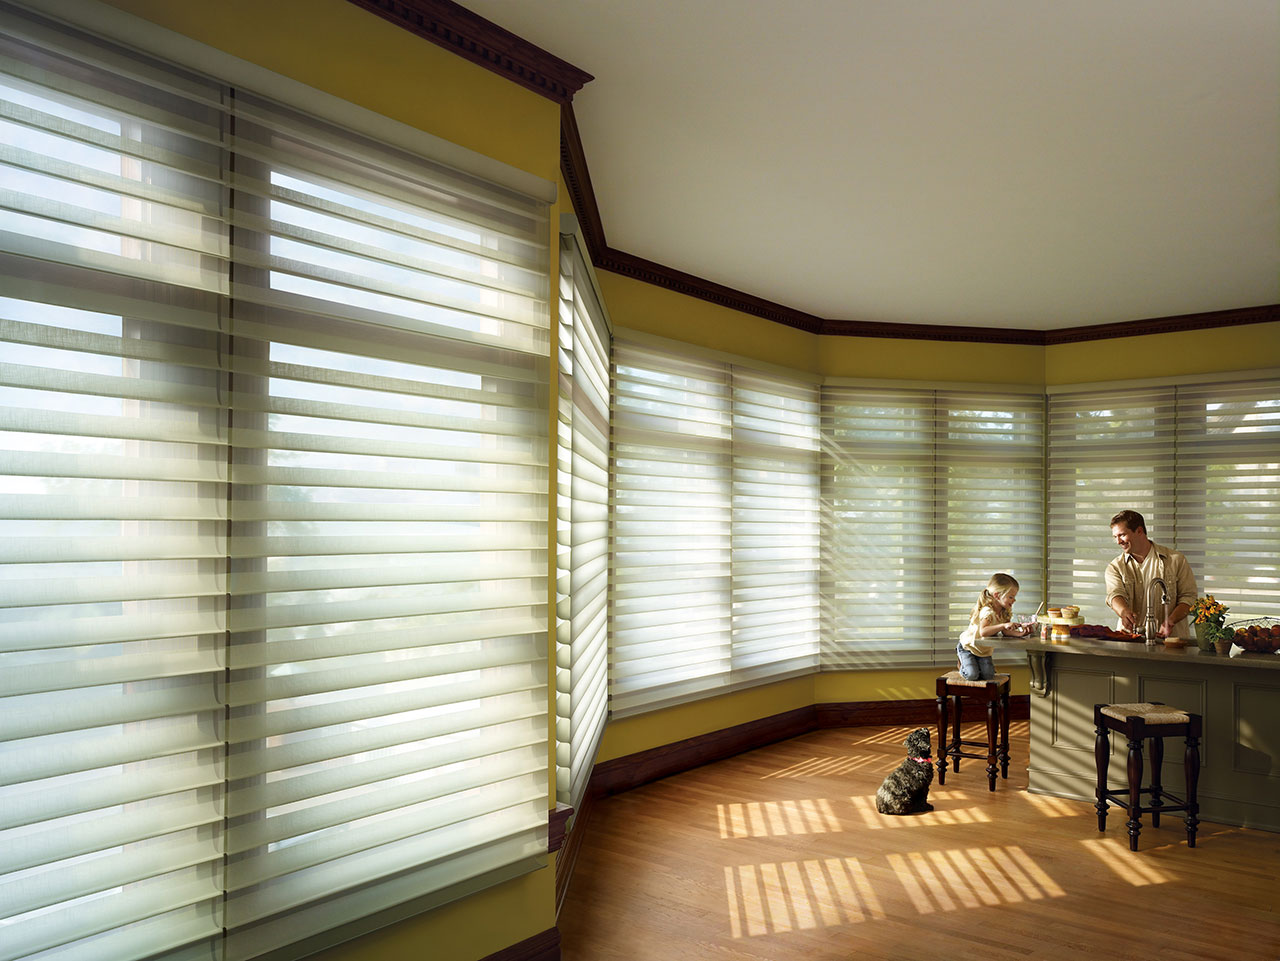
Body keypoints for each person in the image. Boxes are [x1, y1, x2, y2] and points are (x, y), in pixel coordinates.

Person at [1104, 509, 1197, 639]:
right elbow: (1115, 595)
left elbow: (1189, 597)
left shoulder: (1175, 560)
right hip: (1130, 639)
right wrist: (1124, 612)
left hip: (1170, 641)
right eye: (1115, 537)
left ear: (1139, 531)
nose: (1118, 541)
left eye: (1122, 535)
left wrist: (1171, 620)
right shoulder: (1115, 567)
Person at [957, 572, 1032, 681]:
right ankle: (961, 664)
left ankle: (975, 665)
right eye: (1011, 597)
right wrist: (1003, 625)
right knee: (972, 675)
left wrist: (1021, 633)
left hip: (983, 650)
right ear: (997, 595)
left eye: (1014, 597)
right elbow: (983, 631)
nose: (1014, 600)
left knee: (988, 676)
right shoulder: (987, 611)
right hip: (969, 647)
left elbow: (1006, 632)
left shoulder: (1004, 611)